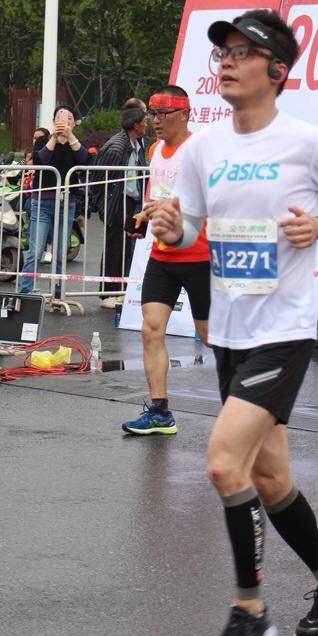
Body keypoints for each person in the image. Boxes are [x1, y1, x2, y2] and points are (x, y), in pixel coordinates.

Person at [148, 10, 318, 636]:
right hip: (229, 330)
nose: (225, 59)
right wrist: (170, 226)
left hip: (283, 330)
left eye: (242, 51)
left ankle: (250, 610)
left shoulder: (307, 142)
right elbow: (188, 222)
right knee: (271, 475)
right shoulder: (203, 148)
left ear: (276, 71)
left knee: (225, 462)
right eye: (221, 49)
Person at [119, 85, 210, 436]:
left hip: (199, 254)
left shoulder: (198, 151)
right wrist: (145, 216)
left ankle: (254, 396)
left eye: (163, 114)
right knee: (150, 328)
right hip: (162, 255)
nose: (155, 121)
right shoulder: (156, 150)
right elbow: (156, 196)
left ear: (185, 114)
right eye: (152, 114)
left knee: (211, 335)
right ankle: (160, 411)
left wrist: (171, 209)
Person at [19, 108, 89, 298]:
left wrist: (70, 137)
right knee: (36, 250)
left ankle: (57, 292)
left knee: (60, 252)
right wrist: (54, 138)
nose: (64, 122)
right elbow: (40, 160)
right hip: (42, 202)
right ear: (53, 121)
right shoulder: (44, 141)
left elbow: (86, 161)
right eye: (60, 118)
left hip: (67, 202)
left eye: (69, 119)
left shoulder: (77, 144)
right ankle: (24, 292)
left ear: (74, 122)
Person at [94, 105, 149, 306]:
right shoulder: (116, 147)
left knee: (129, 246)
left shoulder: (138, 143)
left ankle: (122, 290)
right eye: (144, 120)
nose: (147, 123)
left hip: (134, 201)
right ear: (136, 125)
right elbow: (98, 179)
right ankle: (107, 294)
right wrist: (102, 206)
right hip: (117, 201)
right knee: (114, 247)